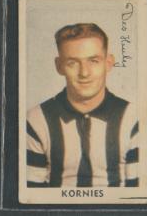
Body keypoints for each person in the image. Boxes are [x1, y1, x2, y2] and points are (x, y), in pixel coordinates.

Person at [26, 23, 139, 187]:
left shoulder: (134, 118)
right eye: (72, 62)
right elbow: (32, 195)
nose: (84, 73)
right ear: (59, 66)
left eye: (93, 61)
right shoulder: (36, 120)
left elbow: (138, 194)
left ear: (108, 63)